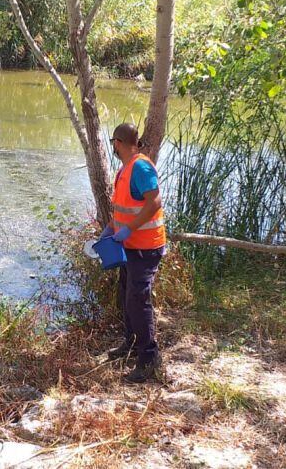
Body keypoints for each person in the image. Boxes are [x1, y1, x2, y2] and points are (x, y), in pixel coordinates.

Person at [101, 123, 166, 383]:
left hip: (146, 247)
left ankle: (149, 359)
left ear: (117, 143)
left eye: (112, 142)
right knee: (126, 295)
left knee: (138, 301)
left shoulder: (140, 167)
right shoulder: (124, 170)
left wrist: (129, 229)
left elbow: (155, 202)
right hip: (129, 247)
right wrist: (108, 231)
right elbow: (122, 209)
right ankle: (130, 343)